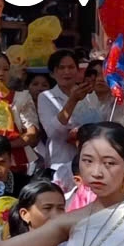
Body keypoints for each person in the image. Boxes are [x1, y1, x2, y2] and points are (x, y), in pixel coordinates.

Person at [37, 50, 93, 182]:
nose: (67, 72)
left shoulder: (89, 95)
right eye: (61, 68)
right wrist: (72, 100)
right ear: (52, 73)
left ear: (77, 70)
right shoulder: (45, 97)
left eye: (71, 67)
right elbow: (52, 131)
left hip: (88, 160)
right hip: (60, 162)